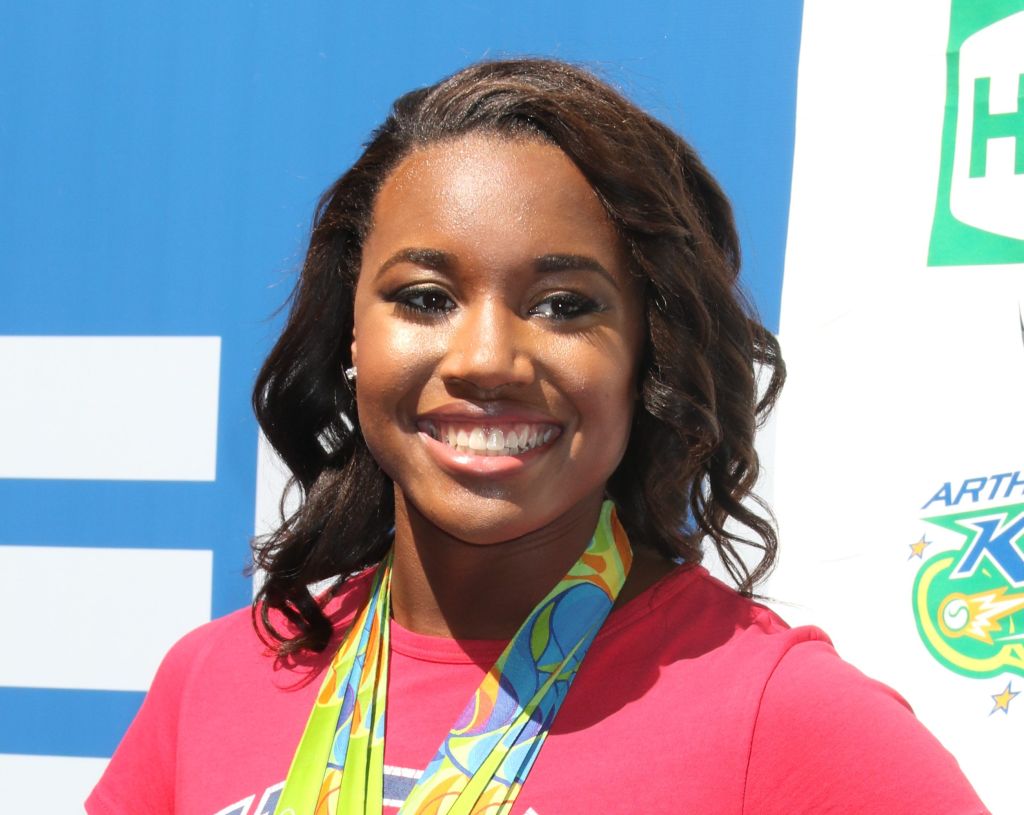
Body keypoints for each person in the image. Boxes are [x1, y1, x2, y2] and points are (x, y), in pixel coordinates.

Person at [87, 58, 989, 815]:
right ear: (351, 338)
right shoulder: (211, 683)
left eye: (564, 306)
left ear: (649, 354)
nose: (487, 359)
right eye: (425, 298)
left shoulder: (776, 716)